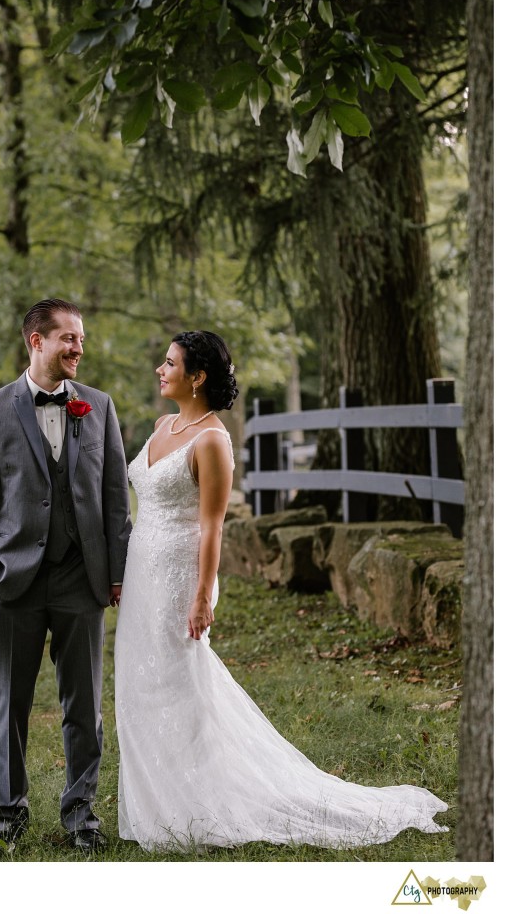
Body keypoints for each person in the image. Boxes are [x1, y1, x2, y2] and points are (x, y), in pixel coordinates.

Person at [114, 329, 448, 852]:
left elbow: (212, 527)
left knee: (182, 683)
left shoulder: (212, 440)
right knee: (141, 684)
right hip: (142, 574)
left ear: (196, 377)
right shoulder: (162, 426)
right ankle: (156, 799)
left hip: (181, 576)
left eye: (170, 362)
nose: (160, 369)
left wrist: (203, 595)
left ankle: (200, 799)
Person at [0, 298, 131, 856]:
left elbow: (114, 501)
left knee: (84, 705)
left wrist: (116, 573)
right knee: (8, 703)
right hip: (13, 581)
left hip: (82, 580)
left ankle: (80, 811)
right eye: (69, 339)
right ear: (36, 341)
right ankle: (8, 815)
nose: (79, 347)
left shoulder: (100, 407)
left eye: (81, 339)